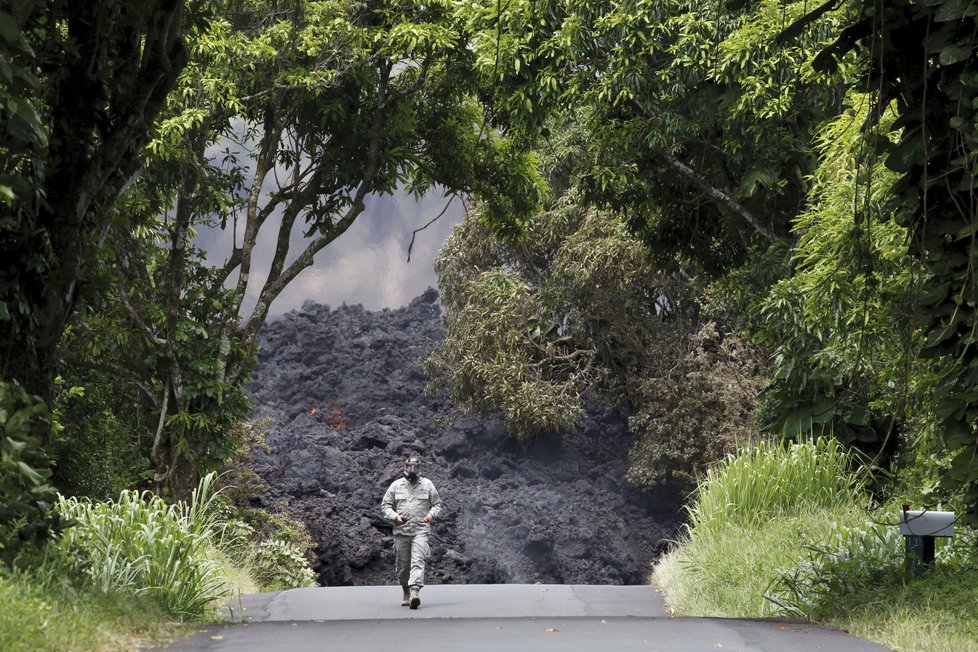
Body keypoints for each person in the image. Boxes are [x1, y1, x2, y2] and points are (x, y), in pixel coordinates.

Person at [381, 454, 442, 609]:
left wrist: (430, 515)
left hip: (420, 530)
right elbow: (385, 506)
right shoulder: (396, 485)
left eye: (416, 467)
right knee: (403, 566)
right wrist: (395, 517)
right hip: (401, 532)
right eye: (410, 466)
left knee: (417, 561)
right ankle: (406, 592)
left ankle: (415, 592)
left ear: (420, 468)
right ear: (405, 467)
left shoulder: (427, 485)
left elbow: (437, 504)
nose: (413, 470)